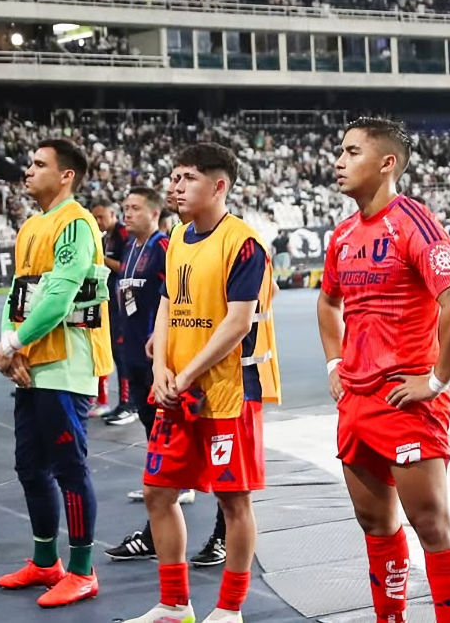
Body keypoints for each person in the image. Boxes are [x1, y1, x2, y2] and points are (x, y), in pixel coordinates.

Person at [318, 118, 450, 623]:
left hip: (406, 403)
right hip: (356, 403)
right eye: (340, 151)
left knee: (430, 526)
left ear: (387, 163)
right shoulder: (343, 235)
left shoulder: (413, 222)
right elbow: (328, 303)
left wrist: (436, 381)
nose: (338, 162)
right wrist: (335, 362)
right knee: (374, 523)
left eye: (351, 152)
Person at [123, 143, 265, 623]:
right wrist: (161, 368)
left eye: (187, 178)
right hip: (176, 392)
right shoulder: (178, 237)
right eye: (174, 177)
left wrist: (183, 375)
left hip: (227, 393)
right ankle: (174, 605)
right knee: (157, 492)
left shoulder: (243, 243)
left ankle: (229, 609)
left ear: (219, 186)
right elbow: (166, 305)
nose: (175, 187)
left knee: (233, 501)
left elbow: (237, 323)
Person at [0, 139, 111, 608]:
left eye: (39, 164)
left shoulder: (76, 223)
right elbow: (17, 293)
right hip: (33, 363)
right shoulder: (31, 226)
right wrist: (11, 345)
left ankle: (82, 570)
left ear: (66, 175)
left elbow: (60, 297)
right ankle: (46, 562)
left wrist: (13, 344)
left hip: (67, 364)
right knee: (29, 466)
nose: (28, 170)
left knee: (68, 468)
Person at [102, 187, 170, 562]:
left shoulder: (163, 247)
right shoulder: (129, 248)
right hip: (131, 354)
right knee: (150, 432)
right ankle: (163, 496)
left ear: (154, 213)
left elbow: (172, 300)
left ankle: (165, 506)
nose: (127, 214)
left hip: (154, 358)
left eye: (135, 208)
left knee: (163, 435)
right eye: (125, 208)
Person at [91, 199, 130, 421]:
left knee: (122, 353)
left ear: (113, 215)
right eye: (95, 217)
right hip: (107, 302)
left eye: (101, 217)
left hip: (121, 304)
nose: (98, 221)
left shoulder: (124, 234)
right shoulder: (106, 236)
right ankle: (104, 399)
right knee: (107, 350)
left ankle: (127, 403)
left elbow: (125, 267)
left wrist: (100, 258)